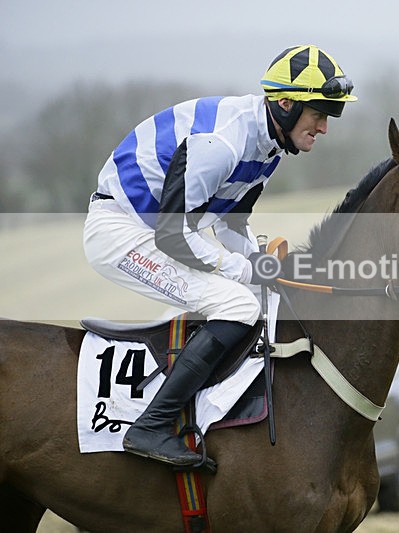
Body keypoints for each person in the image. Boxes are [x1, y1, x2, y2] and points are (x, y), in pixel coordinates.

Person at [83, 44, 357, 467]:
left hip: (154, 228)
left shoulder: (268, 145)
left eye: (329, 116)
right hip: (121, 230)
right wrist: (245, 268)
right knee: (235, 304)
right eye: (319, 113)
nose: (324, 127)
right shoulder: (223, 143)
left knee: (258, 295)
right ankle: (152, 427)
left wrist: (262, 264)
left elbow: (230, 226)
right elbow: (173, 237)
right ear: (285, 104)